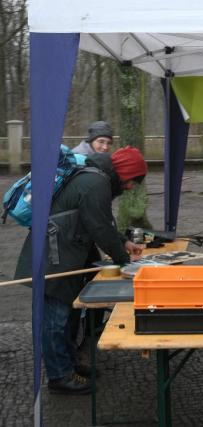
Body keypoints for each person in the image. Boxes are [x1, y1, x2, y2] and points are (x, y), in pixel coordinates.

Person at [15, 146, 148, 395]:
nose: (131, 187)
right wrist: (124, 262)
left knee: (69, 317)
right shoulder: (95, 183)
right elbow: (99, 227)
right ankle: (59, 376)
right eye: (133, 181)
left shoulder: (95, 179)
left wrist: (123, 243)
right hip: (54, 258)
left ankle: (69, 364)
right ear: (125, 173)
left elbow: (100, 221)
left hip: (64, 253)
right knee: (56, 319)